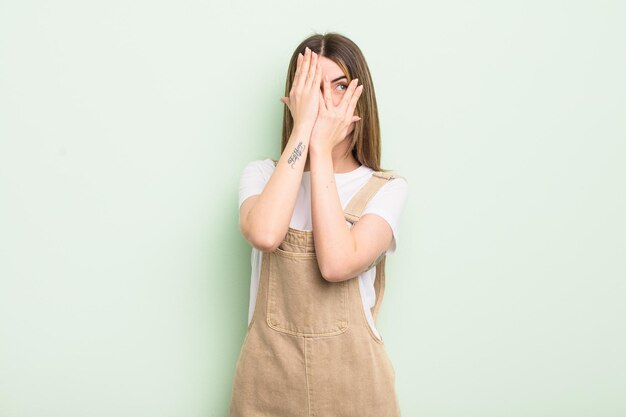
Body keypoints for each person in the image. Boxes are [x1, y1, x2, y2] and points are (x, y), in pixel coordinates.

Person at [229, 32, 408, 416]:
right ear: (294, 98)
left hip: (356, 389)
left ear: (362, 97)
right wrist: (303, 131)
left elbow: (336, 263)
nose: (326, 100)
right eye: (312, 86)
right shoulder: (261, 176)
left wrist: (321, 152)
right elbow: (265, 234)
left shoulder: (386, 189)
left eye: (340, 86)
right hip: (268, 387)